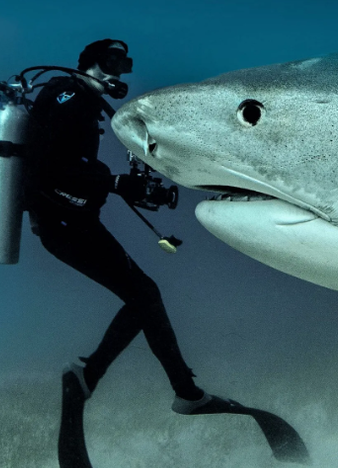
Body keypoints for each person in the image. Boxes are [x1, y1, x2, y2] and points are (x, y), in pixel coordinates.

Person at [24, 39, 212, 412]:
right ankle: (182, 392)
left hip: (72, 222)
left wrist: (125, 185)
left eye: (123, 65)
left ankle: (98, 376)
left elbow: (75, 168)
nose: (116, 72)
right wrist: (114, 183)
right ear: (88, 63)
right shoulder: (68, 96)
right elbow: (51, 167)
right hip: (63, 224)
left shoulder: (84, 102)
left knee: (143, 295)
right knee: (144, 295)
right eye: (110, 63)